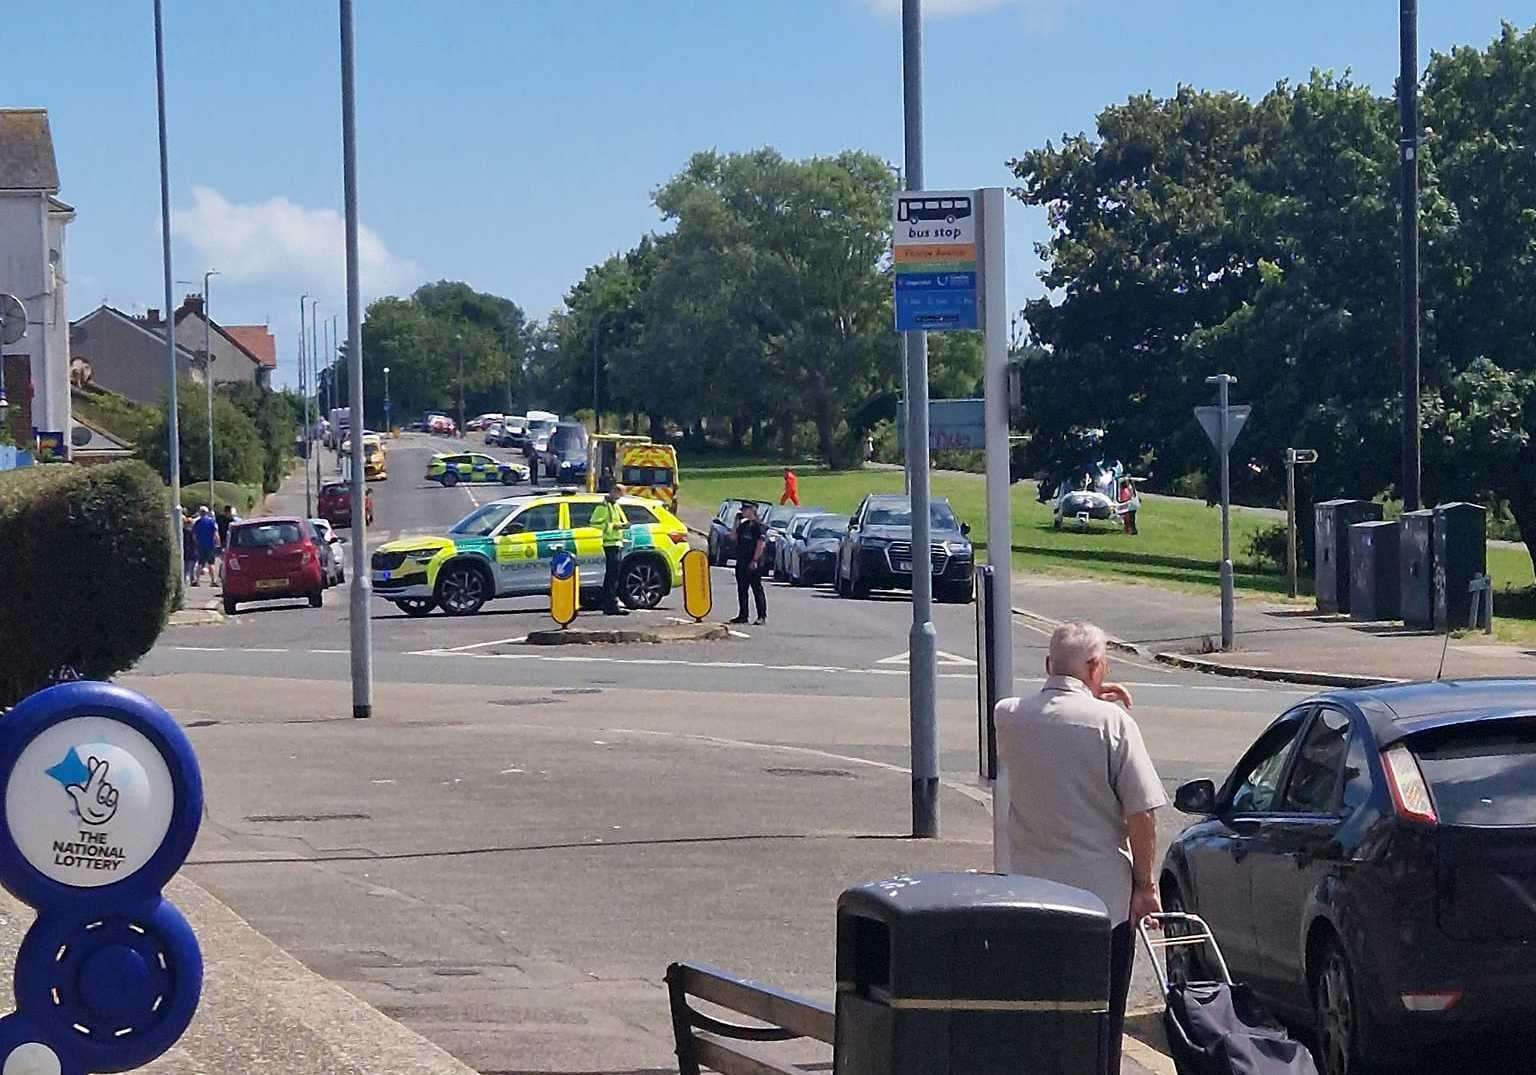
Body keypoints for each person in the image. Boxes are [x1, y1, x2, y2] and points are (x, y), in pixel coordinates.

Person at [993, 622, 1167, 1075]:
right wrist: (1146, 884)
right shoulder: (1114, 725)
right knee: (1100, 1021)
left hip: (1029, 892)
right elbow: (1142, 812)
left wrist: (1086, 693)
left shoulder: (1009, 716)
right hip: (1100, 903)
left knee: (1039, 1015)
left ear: (1048, 665)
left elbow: (1055, 724)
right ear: (1096, 666)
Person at [588, 487, 629, 616]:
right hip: (608, 544)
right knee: (611, 576)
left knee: (614, 576)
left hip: (616, 543)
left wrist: (623, 525)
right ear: (614, 492)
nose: (619, 498)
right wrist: (613, 527)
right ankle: (610, 605)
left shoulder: (614, 505)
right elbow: (594, 524)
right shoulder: (603, 507)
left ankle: (611, 603)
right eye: (619, 495)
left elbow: (621, 520)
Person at [729, 502, 767, 625]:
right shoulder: (743, 525)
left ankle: (761, 616)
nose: (743, 512)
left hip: (753, 562)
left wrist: (755, 560)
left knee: (757, 589)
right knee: (742, 589)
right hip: (742, 561)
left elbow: (760, 544)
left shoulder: (758, 526)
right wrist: (736, 522)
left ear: (752, 510)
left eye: (746, 509)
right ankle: (743, 615)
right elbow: (733, 537)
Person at [191, 506, 220, 587]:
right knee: (211, 563)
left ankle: (197, 581)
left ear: (200, 513)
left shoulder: (197, 522)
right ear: (207, 513)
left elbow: (194, 535)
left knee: (200, 563)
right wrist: (218, 543)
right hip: (210, 545)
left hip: (201, 545)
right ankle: (213, 581)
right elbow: (215, 533)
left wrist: (197, 543)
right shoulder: (211, 522)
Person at [180, 508, 198, 586]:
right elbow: (195, 541)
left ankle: (186, 580)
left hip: (186, 551)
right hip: (191, 551)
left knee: (187, 567)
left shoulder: (182, 532)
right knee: (191, 567)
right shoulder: (192, 532)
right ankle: (191, 580)